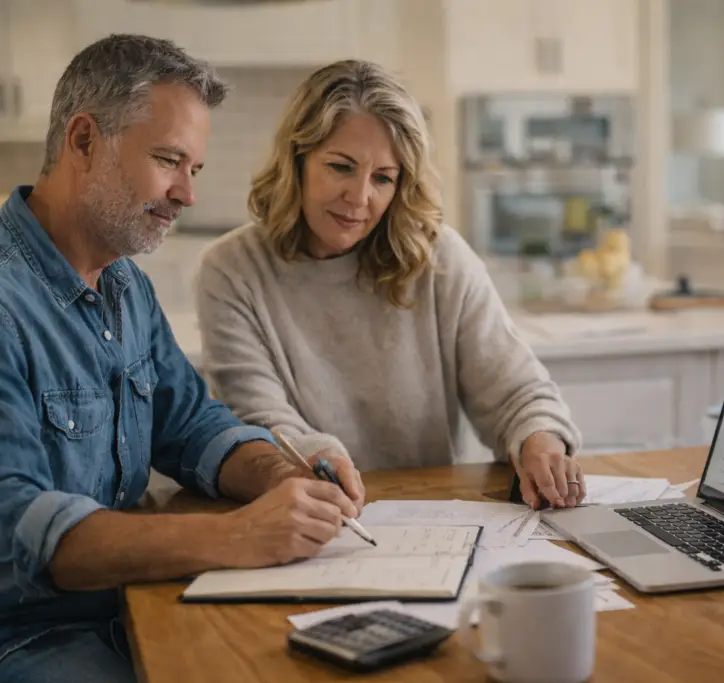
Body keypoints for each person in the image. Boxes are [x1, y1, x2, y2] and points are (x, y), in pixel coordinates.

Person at [0, 35, 363, 683]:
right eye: (169, 160)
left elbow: (193, 425)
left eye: (193, 168)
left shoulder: (126, 287)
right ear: (83, 141)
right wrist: (239, 536)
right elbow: (19, 528)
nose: (186, 194)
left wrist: (282, 477)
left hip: (132, 605)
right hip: (29, 637)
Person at [193, 60, 586, 512]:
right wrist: (320, 458)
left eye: (383, 177)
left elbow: (516, 391)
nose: (360, 197)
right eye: (341, 167)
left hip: (437, 516)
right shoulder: (231, 270)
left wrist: (540, 439)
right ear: (296, 161)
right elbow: (259, 421)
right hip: (311, 511)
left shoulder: (439, 257)